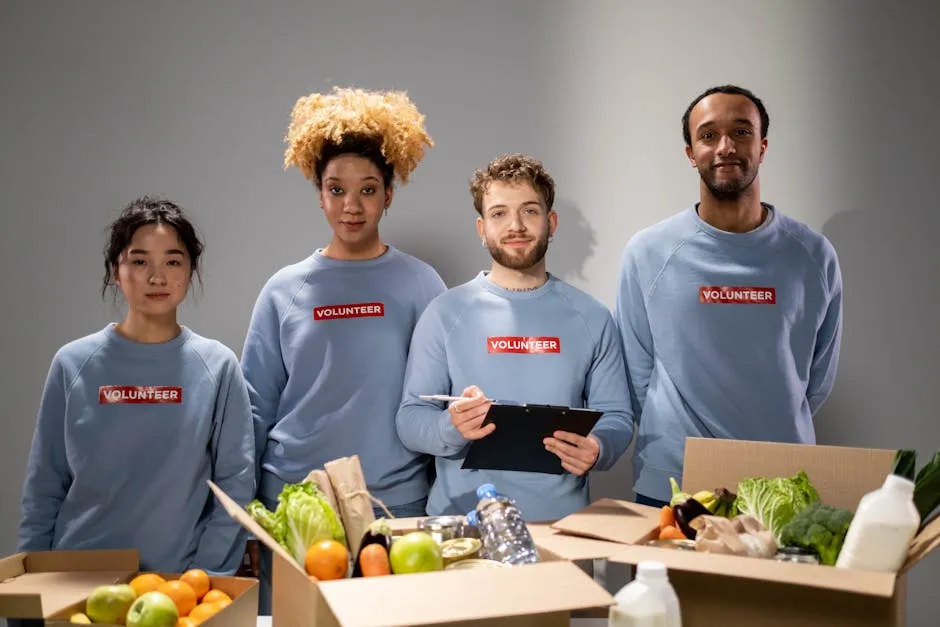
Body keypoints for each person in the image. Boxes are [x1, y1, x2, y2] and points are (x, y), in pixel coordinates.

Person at [242, 87, 445, 612]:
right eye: (336, 189)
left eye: (368, 190)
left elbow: (438, 401)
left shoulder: (422, 285)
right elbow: (255, 408)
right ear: (319, 194)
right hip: (297, 506)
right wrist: (243, 517)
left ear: (389, 196)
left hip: (394, 502)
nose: (351, 206)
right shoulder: (284, 289)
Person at [615, 84, 844, 508]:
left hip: (782, 482)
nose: (725, 147)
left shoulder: (812, 256)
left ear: (763, 146)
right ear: (690, 152)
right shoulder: (648, 252)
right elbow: (636, 374)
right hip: (675, 481)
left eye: (741, 132)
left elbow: (816, 379)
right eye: (708, 135)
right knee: (661, 581)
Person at [17, 196, 255, 574]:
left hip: (178, 591)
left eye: (172, 261)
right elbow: (44, 489)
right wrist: (32, 593)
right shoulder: (73, 364)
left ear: (190, 270)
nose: (157, 277)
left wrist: (205, 578)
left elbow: (236, 487)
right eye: (139, 261)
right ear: (116, 269)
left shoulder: (217, 367)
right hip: (76, 582)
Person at [396, 153, 634, 522]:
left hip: (563, 527)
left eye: (530, 211)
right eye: (499, 213)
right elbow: (410, 419)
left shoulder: (591, 317)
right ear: (482, 228)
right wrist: (451, 426)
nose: (516, 225)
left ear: (551, 222)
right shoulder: (444, 313)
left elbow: (617, 415)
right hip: (464, 523)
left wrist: (598, 447)